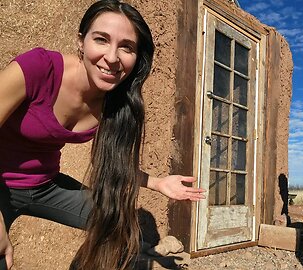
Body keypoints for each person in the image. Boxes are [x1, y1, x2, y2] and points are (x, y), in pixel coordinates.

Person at [0, 1, 205, 270]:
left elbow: (113, 166)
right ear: (81, 42)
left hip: (45, 186)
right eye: (101, 39)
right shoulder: (39, 68)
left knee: (121, 227)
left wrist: (157, 183)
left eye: (126, 47)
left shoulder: (116, 103)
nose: (111, 57)